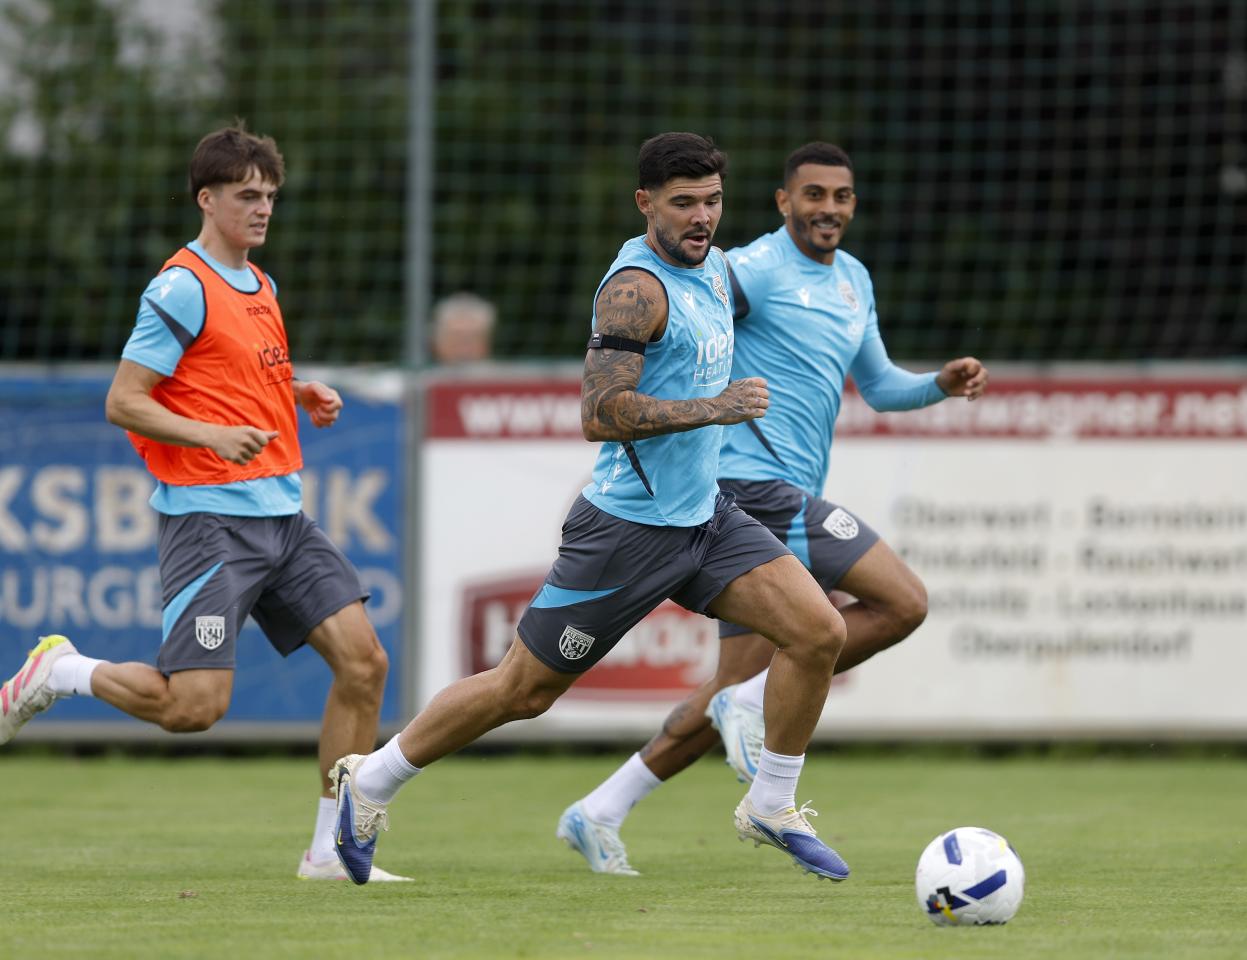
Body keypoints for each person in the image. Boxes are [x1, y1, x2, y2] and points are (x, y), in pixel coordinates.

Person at [327, 132, 851, 885]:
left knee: (818, 630)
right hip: (626, 532)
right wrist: (717, 408)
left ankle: (771, 802)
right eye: (684, 204)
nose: (701, 217)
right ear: (645, 203)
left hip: (705, 520)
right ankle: (371, 780)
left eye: (711, 201)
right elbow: (599, 412)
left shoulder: (720, 268)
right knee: (522, 690)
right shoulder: (634, 289)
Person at [558, 141, 989, 875]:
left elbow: (880, 387)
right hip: (749, 485)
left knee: (735, 688)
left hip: (781, 494)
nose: (828, 208)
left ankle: (601, 809)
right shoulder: (748, 268)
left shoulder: (852, 279)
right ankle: (753, 729)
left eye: (842, 196)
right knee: (903, 601)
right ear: (784, 202)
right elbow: (684, 307)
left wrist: (938, 384)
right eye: (812, 194)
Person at [0, 123, 408, 883]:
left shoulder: (264, 286)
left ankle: (332, 851)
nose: (261, 209)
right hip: (209, 520)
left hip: (283, 516)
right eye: (247, 195)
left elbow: (231, 377)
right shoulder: (180, 285)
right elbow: (127, 401)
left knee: (365, 662)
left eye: (270, 196)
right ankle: (59, 672)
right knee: (194, 709)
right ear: (207, 198)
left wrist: (298, 390)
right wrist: (212, 437)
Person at [430, 291, 496, 364]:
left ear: (486, 344)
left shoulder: (501, 374)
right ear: (437, 345)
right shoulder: (422, 374)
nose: (464, 351)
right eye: (456, 340)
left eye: (472, 340)